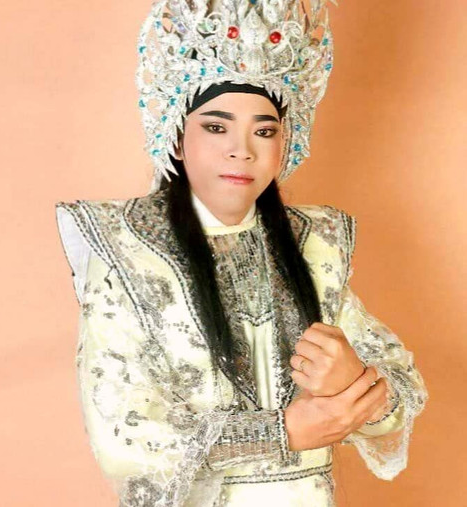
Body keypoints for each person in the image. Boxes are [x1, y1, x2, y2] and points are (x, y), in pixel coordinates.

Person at [55, 1, 428, 505]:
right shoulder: (127, 250)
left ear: (284, 143)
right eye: (216, 127)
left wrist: (353, 381)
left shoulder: (314, 246)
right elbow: (125, 438)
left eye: (264, 130)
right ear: (177, 138)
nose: (242, 149)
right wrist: (281, 433)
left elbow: (400, 393)